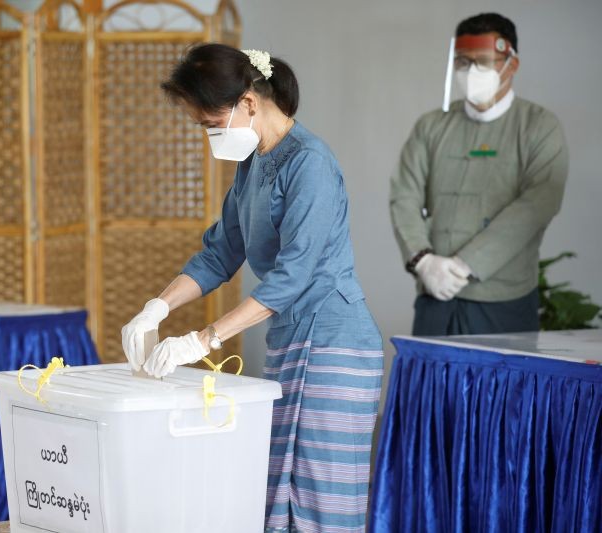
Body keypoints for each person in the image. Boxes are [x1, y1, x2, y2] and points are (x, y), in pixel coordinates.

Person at [121, 44, 383, 533]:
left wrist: (203, 340)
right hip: (290, 338)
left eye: (209, 123)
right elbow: (220, 253)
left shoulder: (310, 163)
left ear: (248, 102)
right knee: (276, 496)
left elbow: (293, 276)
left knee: (320, 500)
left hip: (335, 342)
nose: (209, 135)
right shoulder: (253, 166)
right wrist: (155, 308)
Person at [390, 12, 569, 335]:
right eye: (462, 62)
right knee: (431, 385)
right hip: (435, 297)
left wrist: (465, 264)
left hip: (504, 303)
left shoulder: (538, 126)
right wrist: (424, 261)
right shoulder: (431, 126)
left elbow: (538, 203)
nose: (471, 72)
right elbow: (404, 194)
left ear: (510, 64)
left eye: (483, 62)